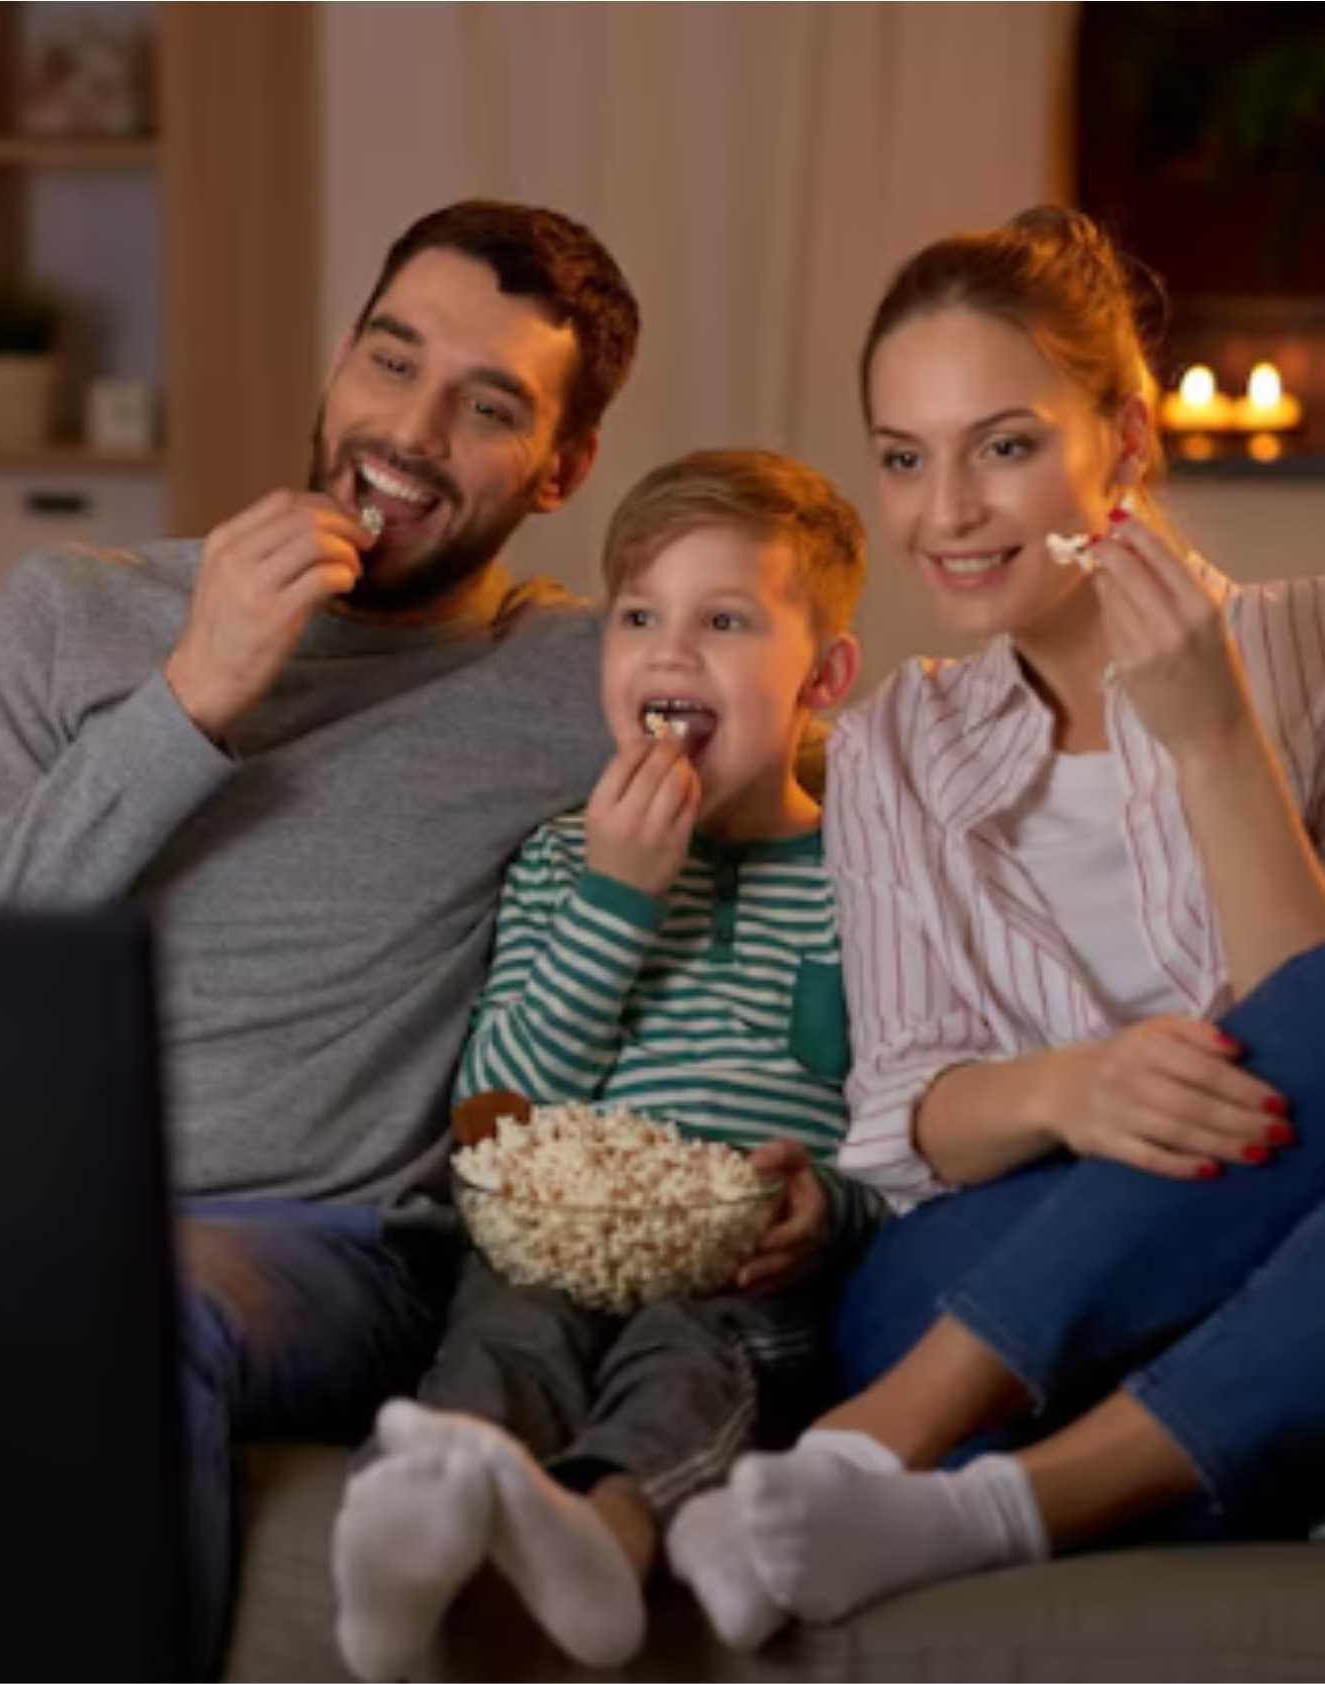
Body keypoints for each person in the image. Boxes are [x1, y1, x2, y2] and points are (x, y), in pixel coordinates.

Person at [664, 208, 1325, 1647]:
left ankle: (985, 1501)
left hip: (1291, 1268)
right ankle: (915, 1424)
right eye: (903, 457)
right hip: (977, 1276)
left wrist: (1215, 737)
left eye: (1002, 445)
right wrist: (1073, 1089)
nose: (943, 512)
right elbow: (903, 1110)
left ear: (1126, 442)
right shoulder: (898, 739)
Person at [0, 200, 640, 1671]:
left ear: (563, 468)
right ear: (338, 363)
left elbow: (860, 754)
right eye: (390, 362)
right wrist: (189, 701)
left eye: (487, 408)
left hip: (315, 1251)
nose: (409, 432)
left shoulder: (577, 675)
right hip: (5, 1205)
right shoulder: (78, 611)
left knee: (116, 1307)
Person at [327, 449, 886, 1679]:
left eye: (724, 621)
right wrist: (615, 900)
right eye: (638, 618)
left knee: (694, 1350)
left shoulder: (873, 882)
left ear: (823, 677)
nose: (670, 652)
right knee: (505, 1329)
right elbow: (496, 1115)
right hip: (557, 1241)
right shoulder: (557, 862)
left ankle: (607, 1530)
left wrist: (833, 1210)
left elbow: (908, 1126)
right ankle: (414, 1528)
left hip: (744, 1269)